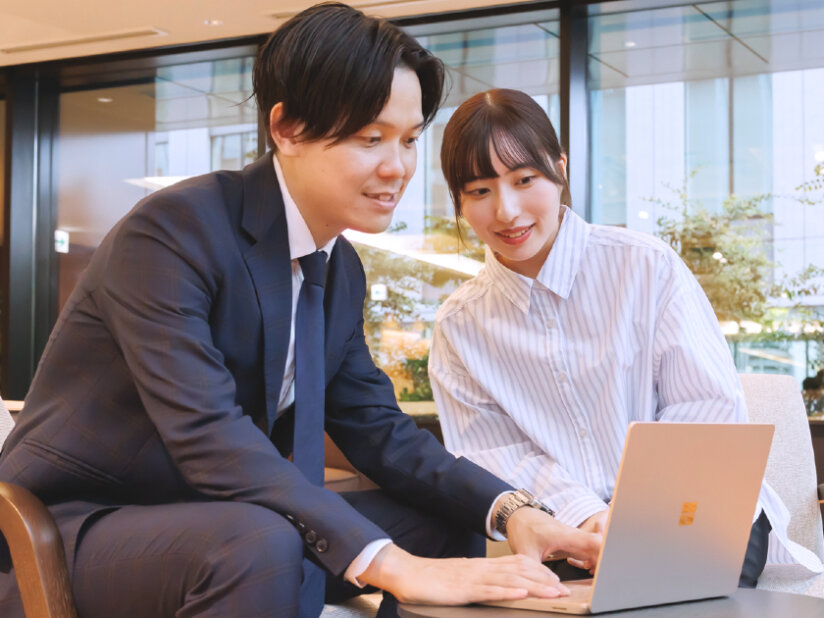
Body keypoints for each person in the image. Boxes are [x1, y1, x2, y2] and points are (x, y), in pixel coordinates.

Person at [0, 9, 601, 618]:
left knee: (439, 526)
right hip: (69, 528)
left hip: (214, 517)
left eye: (409, 139)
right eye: (370, 139)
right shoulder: (174, 231)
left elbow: (379, 431)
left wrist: (513, 510)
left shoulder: (337, 269)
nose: (397, 167)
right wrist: (392, 565)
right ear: (286, 128)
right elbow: (208, 435)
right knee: (259, 542)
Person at [430, 88, 824, 585]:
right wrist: (587, 515)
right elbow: (494, 452)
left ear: (560, 169)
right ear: (460, 201)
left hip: (695, 511)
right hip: (565, 531)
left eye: (524, 179)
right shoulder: (459, 325)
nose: (506, 211)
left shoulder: (644, 265)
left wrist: (637, 513)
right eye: (480, 191)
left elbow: (704, 405)